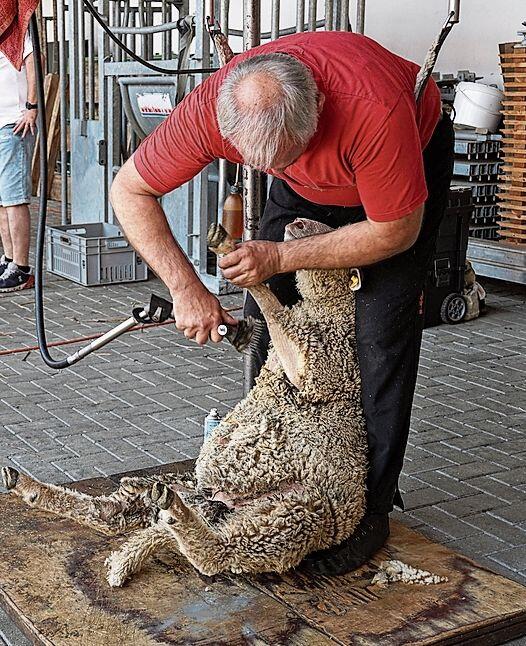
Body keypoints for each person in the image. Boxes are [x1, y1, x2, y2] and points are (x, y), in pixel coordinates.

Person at [110, 31, 454, 575]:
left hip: (398, 164)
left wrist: (278, 257)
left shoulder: (374, 109)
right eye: (259, 160)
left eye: (287, 155)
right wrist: (186, 288)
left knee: (380, 332)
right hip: (302, 170)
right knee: (266, 318)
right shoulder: (214, 108)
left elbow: (394, 231)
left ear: (316, 106)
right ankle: (271, 460)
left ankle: (370, 507)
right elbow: (129, 190)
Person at [0, 31, 37, 293]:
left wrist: (32, 106)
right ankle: (10, 260)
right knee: (2, 200)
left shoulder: (19, 31)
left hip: (13, 123)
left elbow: (34, 61)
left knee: (14, 198)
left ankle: (22, 269)